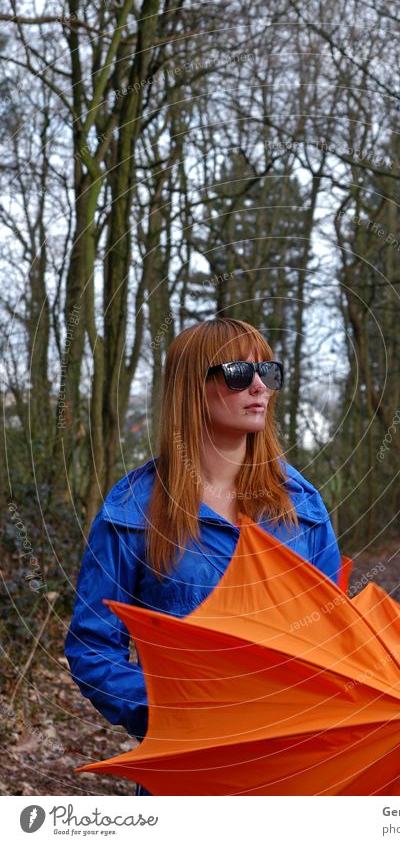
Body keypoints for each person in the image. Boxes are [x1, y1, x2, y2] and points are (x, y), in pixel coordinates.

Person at [64, 317, 342, 795]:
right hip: (187, 777)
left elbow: (337, 637)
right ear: (193, 386)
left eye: (268, 373)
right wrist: (177, 710)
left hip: (289, 768)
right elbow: (92, 648)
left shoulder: (303, 507)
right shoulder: (133, 509)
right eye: (237, 373)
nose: (258, 387)